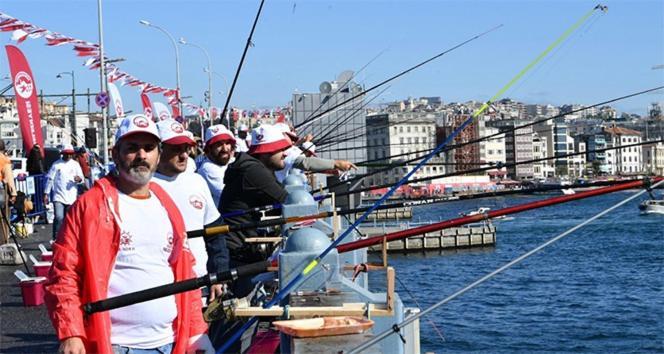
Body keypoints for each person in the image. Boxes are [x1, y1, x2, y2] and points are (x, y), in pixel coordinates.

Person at [44, 114, 213, 354]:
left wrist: (197, 331)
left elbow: (186, 272)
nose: (141, 155)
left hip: (170, 342)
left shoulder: (167, 205)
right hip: (115, 345)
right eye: (132, 148)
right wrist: (71, 333)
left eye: (149, 148)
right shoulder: (90, 205)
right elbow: (63, 273)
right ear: (115, 154)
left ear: (158, 154)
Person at [211, 124, 292, 352]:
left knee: (237, 323)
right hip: (239, 255)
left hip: (239, 252)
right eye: (280, 149)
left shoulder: (249, 166)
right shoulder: (253, 171)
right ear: (267, 152)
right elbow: (287, 200)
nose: (285, 153)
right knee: (235, 324)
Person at [153, 119, 228, 302]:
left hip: (201, 286)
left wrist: (219, 275)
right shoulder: (142, 186)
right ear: (158, 150)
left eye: (186, 148)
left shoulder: (197, 182)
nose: (184, 155)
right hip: (161, 289)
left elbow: (216, 234)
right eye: (176, 149)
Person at [273, 122, 357, 183]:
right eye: (290, 137)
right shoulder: (288, 153)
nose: (292, 140)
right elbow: (306, 163)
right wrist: (336, 164)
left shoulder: (279, 151)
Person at [43, 144, 84, 240]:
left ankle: (69, 238)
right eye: (66, 154)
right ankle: (56, 238)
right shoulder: (56, 164)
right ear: (63, 154)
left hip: (71, 196)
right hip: (59, 196)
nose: (68, 156)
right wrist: (46, 193)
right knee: (59, 217)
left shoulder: (75, 164)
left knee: (70, 219)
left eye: (70, 154)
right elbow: (50, 179)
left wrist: (79, 179)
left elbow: (81, 178)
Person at [197, 125, 236, 208]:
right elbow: (231, 195)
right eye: (219, 144)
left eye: (227, 143)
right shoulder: (207, 168)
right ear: (209, 148)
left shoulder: (232, 161)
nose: (225, 149)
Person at [0, 140, 16, 245]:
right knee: (3, 219)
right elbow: (9, 177)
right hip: (1, 190)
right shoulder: (4, 160)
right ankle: (3, 242)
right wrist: (13, 193)